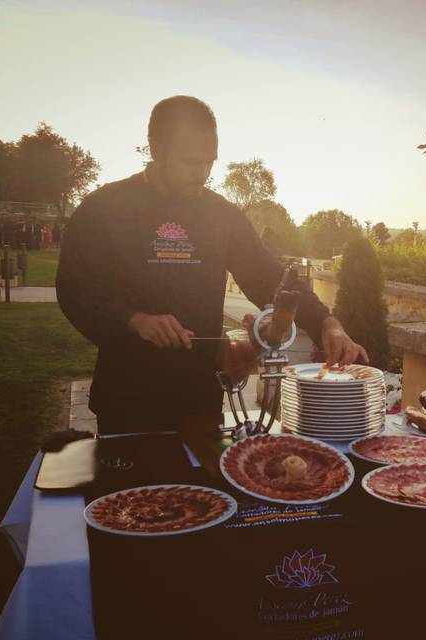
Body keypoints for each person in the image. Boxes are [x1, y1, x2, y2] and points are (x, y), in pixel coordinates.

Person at [56, 96, 368, 434]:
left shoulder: (221, 216)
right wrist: (134, 320)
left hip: (199, 397)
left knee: (202, 486)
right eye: (191, 162)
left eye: (210, 162)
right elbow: (75, 291)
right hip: (128, 397)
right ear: (156, 148)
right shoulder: (105, 208)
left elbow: (268, 276)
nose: (202, 174)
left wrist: (326, 322)